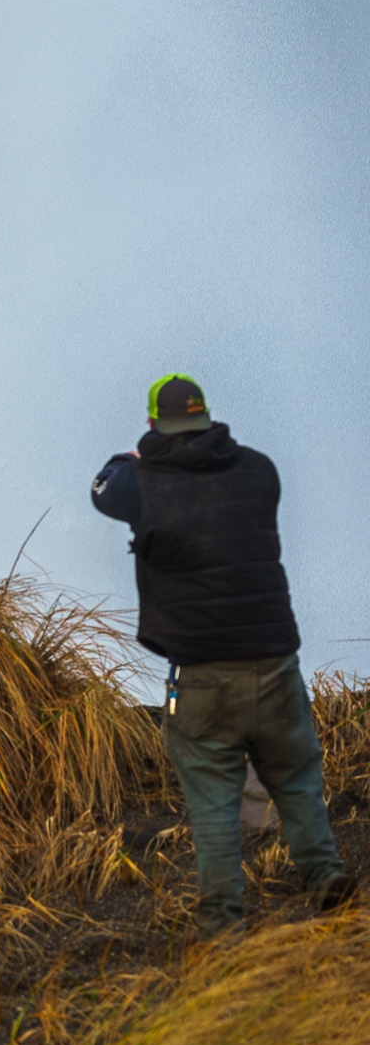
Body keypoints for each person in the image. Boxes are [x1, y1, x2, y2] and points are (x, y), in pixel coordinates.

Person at [91, 375, 354, 936]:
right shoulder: (260, 470)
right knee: (297, 778)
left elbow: (101, 489)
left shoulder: (141, 483)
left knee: (212, 796)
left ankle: (222, 918)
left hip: (201, 670)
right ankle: (325, 875)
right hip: (275, 658)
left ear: (155, 423)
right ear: (207, 417)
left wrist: (133, 455)